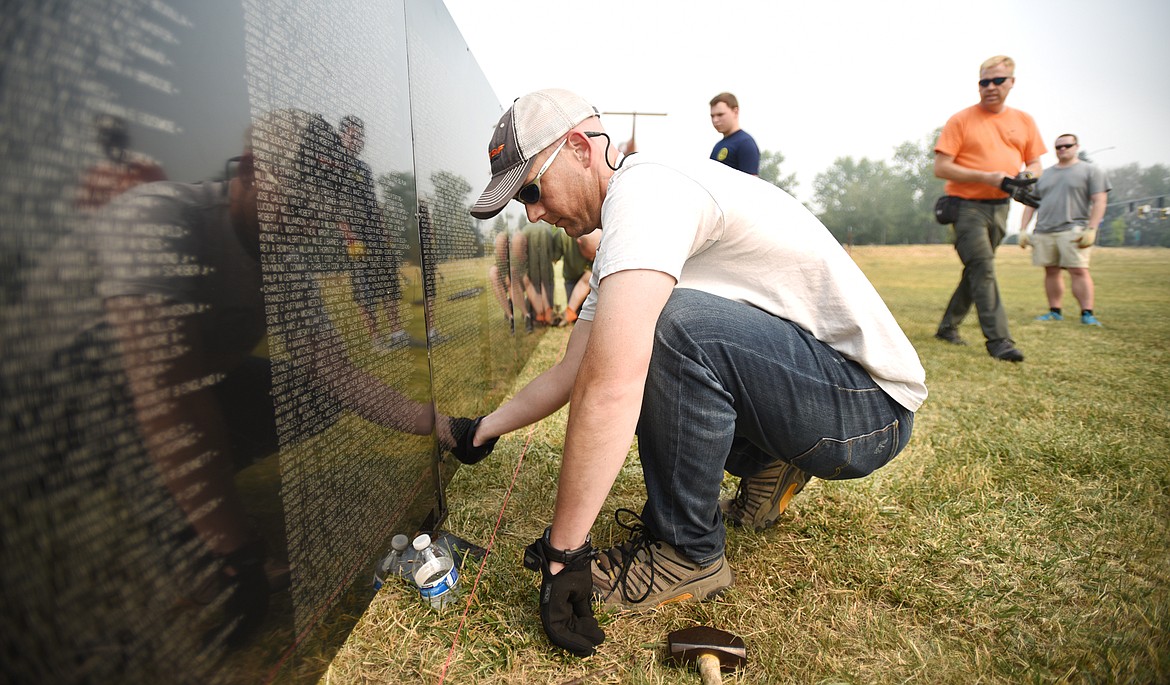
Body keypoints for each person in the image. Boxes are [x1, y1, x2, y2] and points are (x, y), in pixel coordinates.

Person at [459, 89, 926, 657]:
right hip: (819, 395)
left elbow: (611, 388)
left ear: (581, 149)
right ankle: (767, 465)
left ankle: (687, 553)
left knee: (667, 325)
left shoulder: (648, 194)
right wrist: (483, 429)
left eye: (531, 190)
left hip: (866, 410)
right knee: (662, 330)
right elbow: (571, 373)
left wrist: (566, 554)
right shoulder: (623, 238)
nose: (532, 212)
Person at [933, 55, 1046, 362]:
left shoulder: (1023, 121)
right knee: (983, 267)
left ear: (1011, 82)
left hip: (1001, 207)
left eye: (998, 81)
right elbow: (941, 166)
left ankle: (947, 327)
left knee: (975, 270)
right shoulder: (961, 120)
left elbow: (1035, 161)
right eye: (984, 81)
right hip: (966, 207)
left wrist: (1028, 177)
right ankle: (999, 341)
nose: (991, 87)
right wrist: (989, 177)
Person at [1018, 134, 1110, 326]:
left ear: (1076, 146)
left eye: (1067, 146)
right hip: (1044, 230)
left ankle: (1087, 313)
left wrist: (1092, 228)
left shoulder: (1090, 171)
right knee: (1050, 271)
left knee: (1078, 270)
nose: (1062, 149)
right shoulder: (1044, 174)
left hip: (1073, 228)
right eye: (1058, 147)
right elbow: (1030, 204)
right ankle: (1054, 311)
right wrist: (1023, 229)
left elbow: (1099, 200)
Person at [708, 92, 760, 175]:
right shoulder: (718, 146)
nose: (715, 120)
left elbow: (751, 184)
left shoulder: (745, 143)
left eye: (720, 115)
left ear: (735, 112)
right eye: (712, 116)